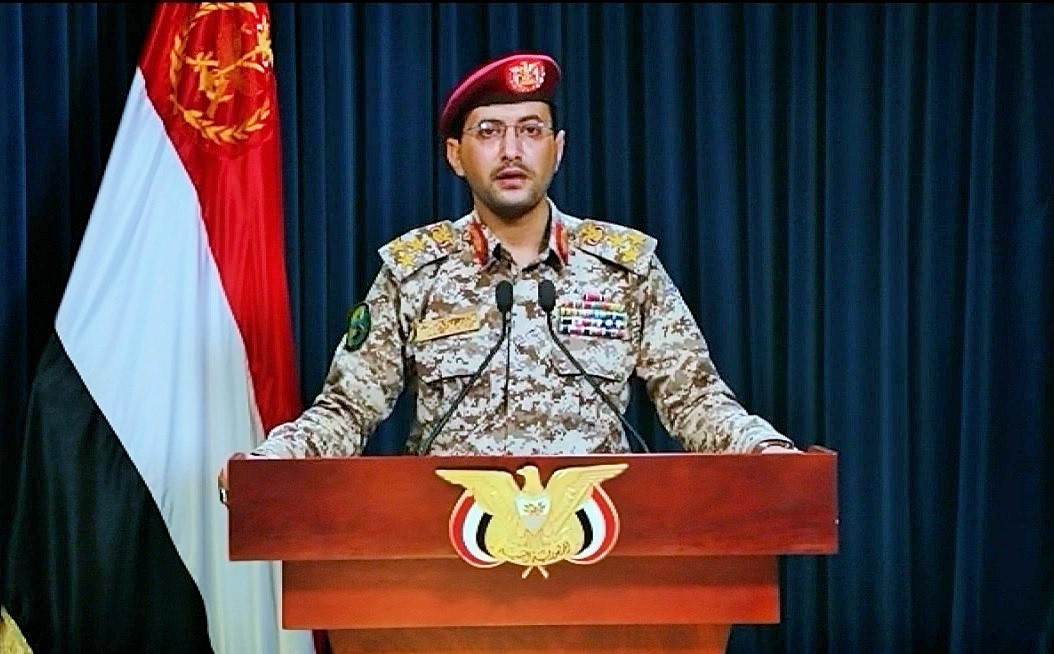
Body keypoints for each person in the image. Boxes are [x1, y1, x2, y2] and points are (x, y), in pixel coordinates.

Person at [218, 51, 797, 500]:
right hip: (444, 548)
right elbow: (348, 409)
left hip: (602, 544)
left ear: (558, 149)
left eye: (531, 130)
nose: (512, 150)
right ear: (455, 155)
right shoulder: (414, 273)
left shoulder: (625, 268)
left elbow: (695, 399)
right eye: (490, 131)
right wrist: (274, 463)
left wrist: (765, 451)